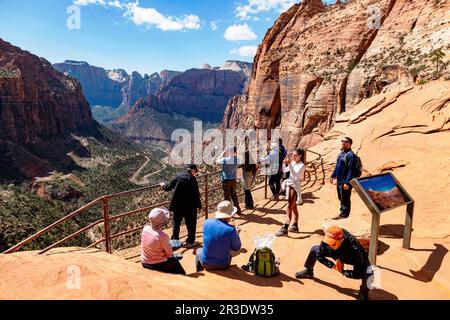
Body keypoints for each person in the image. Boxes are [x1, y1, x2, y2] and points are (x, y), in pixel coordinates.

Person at [295, 226, 372, 300]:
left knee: (368, 273)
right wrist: (332, 265)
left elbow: (358, 273)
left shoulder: (354, 248)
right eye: (328, 241)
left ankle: (364, 292)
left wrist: (343, 272)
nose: (328, 244)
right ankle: (308, 271)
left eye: (332, 243)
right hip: (335, 253)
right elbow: (320, 254)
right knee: (314, 250)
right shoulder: (327, 240)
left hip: (349, 257)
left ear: (341, 240)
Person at [160, 164, 202, 248]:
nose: (195, 173)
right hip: (190, 207)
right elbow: (196, 194)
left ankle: (175, 242)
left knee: (176, 223)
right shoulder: (193, 179)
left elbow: (168, 187)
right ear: (193, 170)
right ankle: (190, 242)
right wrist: (199, 206)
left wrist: (163, 185)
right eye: (195, 171)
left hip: (177, 205)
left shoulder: (178, 176)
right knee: (191, 224)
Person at [195, 201, 242, 271]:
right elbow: (236, 247)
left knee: (198, 250)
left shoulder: (207, 222)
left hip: (206, 262)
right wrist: (236, 234)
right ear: (229, 215)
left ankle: (199, 271)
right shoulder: (231, 230)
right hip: (222, 265)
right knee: (228, 253)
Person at [141, 207, 186, 275]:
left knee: (167, 246)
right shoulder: (162, 236)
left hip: (145, 262)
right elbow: (169, 254)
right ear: (162, 223)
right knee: (177, 265)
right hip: (157, 265)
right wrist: (173, 256)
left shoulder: (145, 229)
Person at [275, 148, 306, 237]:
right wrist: (284, 163)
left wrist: (289, 164)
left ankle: (285, 227)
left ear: (300, 156)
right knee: (293, 207)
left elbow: (296, 175)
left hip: (295, 187)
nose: (293, 157)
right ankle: (295, 225)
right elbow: (284, 170)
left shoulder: (302, 165)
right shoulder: (293, 163)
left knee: (289, 206)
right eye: (293, 155)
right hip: (290, 185)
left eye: (295, 155)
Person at [330, 137, 356, 218]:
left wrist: (347, 182)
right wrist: (333, 175)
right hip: (339, 180)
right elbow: (337, 166)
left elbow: (351, 170)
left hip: (345, 181)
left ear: (350, 144)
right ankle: (342, 211)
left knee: (345, 197)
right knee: (340, 197)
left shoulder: (351, 155)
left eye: (346, 142)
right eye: (342, 141)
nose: (343, 143)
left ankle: (345, 214)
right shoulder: (341, 153)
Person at [216, 146, 242, 215]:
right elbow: (240, 163)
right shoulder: (237, 159)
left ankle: (228, 213)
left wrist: (223, 153)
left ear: (229, 151)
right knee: (234, 195)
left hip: (226, 180)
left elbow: (217, 161)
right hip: (233, 180)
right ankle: (238, 210)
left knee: (227, 197)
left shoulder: (225, 159)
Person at [239, 137, 257, 210]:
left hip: (246, 173)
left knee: (246, 189)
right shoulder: (251, 158)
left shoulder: (246, 156)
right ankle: (248, 204)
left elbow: (242, 163)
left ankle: (250, 204)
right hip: (249, 173)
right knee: (247, 189)